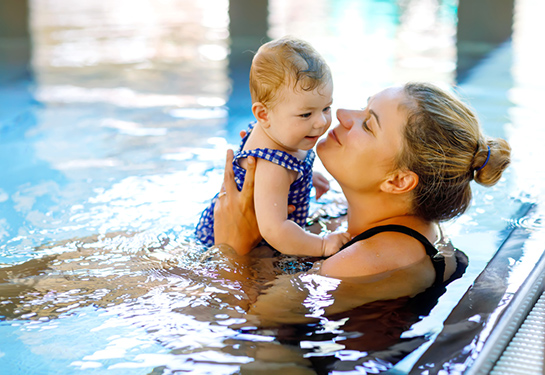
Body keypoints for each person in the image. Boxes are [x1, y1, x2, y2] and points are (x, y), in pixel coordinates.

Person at [213, 82, 511, 285]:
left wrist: (231, 249)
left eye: (368, 124)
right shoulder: (385, 227)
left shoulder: (366, 262)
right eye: (364, 108)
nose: (342, 115)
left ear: (398, 180)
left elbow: (255, 328)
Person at [195, 36, 350, 257]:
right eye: (306, 114)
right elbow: (275, 230)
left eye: (326, 108)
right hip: (241, 248)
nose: (322, 122)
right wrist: (323, 245)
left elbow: (286, 173)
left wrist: (305, 176)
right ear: (263, 114)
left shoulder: (278, 130)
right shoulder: (272, 166)